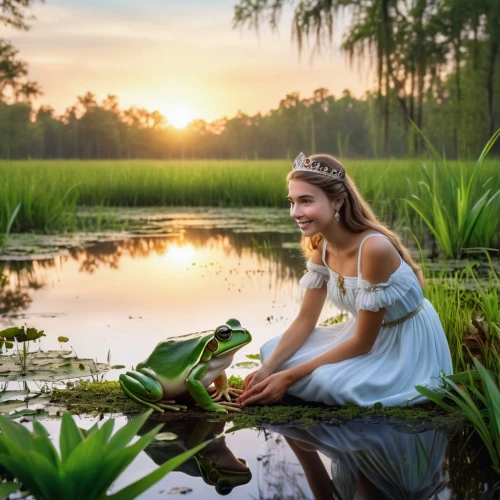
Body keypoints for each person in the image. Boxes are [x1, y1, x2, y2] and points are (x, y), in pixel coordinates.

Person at [236, 152, 453, 408]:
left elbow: (363, 343)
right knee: (271, 353)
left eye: (305, 201)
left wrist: (288, 377)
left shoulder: (373, 249)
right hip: (363, 333)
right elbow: (305, 320)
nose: (295, 212)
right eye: (292, 202)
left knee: (327, 382)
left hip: (403, 343)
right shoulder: (322, 247)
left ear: (337, 201)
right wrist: (269, 370)